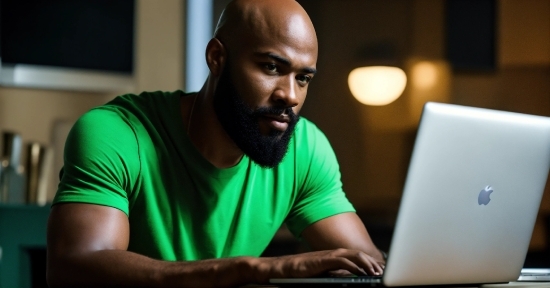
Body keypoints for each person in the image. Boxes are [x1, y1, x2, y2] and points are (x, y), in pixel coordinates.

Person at [46, 0, 386, 287]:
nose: (290, 96)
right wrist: (246, 270)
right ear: (216, 58)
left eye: (303, 77)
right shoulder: (117, 133)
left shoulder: (305, 148)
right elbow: (74, 268)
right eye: (271, 67)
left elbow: (367, 264)